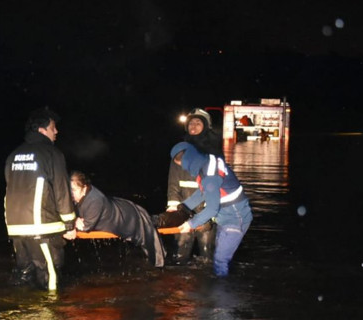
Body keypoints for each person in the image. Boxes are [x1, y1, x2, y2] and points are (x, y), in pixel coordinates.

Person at [4, 107, 77, 289]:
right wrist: (69, 224)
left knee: (24, 277)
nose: (56, 131)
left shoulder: (13, 155)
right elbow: (61, 190)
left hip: (16, 229)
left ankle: (19, 314)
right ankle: (50, 316)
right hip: (43, 228)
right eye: (53, 128)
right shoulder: (52, 154)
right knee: (50, 279)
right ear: (42, 130)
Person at [170, 141, 252, 277]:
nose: (184, 169)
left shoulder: (208, 173)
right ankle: (224, 283)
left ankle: (221, 292)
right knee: (221, 258)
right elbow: (203, 192)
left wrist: (190, 224)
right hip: (225, 218)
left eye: (182, 165)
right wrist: (183, 207)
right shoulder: (205, 163)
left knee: (220, 260)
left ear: (187, 160)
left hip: (236, 219)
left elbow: (212, 209)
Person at [70, 171, 166, 268]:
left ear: (84, 188)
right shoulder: (82, 196)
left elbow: (86, 227)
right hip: (120, 210)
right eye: (69, 189)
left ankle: (178, 214)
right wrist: (76, 219)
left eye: (74, 190)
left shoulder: (94, 200)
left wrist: (75, 220)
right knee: (152, 222)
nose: (71, 193)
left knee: (152, 224)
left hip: (129, 218)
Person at [165, 108, 222, 265]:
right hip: (184, 209)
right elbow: (173, 181)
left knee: (207, 257)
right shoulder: (180, 150)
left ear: (205, 126)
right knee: (180, 256)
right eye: (191, 123)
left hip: (206, 210)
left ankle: (207, 286)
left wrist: (209, 215)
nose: (193, 126)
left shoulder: (213, 153)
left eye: (198, 123)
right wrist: (173, 206)